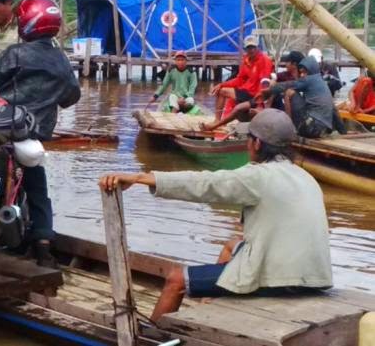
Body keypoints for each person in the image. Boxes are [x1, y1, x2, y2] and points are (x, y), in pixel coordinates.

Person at [99, 109, 333, 323]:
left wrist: (140, 178)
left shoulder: (258, 176)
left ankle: (153, 338)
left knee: (176, 280)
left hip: (281, 278)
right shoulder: (305, 177)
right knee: (231, 247)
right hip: (315, 276)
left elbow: (205, 184)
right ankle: (207, 310)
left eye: (248, 140)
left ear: (257, 143)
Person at [0, 0, 81, 267]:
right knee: (38, 190)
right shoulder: (61, 61)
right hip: (31, 136)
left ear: (26, 23)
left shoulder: (15, 53)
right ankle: (44, 244)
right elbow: (71, 97)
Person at [201, 50, 303, 131]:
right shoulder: (247, 61)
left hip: (268, 104)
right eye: (249, 48)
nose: (285, 64)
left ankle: (268, 113)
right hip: (256, 96)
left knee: (240, 108)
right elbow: (244, 78)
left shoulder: (302, 79)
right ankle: (217, 122)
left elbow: (265, 80)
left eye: (288, 62)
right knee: (236, 106)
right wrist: (222, 84)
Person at [256, 56, 336, 139]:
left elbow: (287, 85)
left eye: (304, 72)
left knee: (290, 92)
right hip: (322, 128)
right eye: (301, 72)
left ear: (310, 71)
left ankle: (288, 129)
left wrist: (268, 90)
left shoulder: (309, 80)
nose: (302, 75)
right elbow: (333, 109)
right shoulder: (321, 82)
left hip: (312, 129)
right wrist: (343, 131)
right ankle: (289, 126)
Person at [208, 35, 273, 125]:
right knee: (221, 90)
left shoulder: (265, 60)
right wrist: (222, 84)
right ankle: (217, 120)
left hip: (256, 95)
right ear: (246, 49)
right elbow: (240, 79)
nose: (251, 50)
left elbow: (264, 83)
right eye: (249, 48)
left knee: (235, 101)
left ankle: (224, 120)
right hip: (247, 91)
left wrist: (259, 103)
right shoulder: (246, 59)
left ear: (257, 47)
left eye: (253, 47)